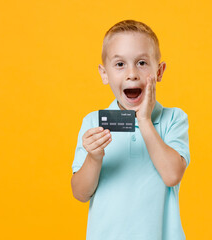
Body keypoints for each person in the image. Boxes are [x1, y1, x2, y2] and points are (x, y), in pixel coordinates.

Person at [71, 19, 190, 240]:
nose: (132, 73)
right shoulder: (93, 122)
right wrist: (94, 157)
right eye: (120, 64)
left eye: (142, 63)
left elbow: (172, 175)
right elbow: (80, 193)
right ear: (104, 74)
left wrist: (144, 120)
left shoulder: (173, 119)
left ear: (160, 71)